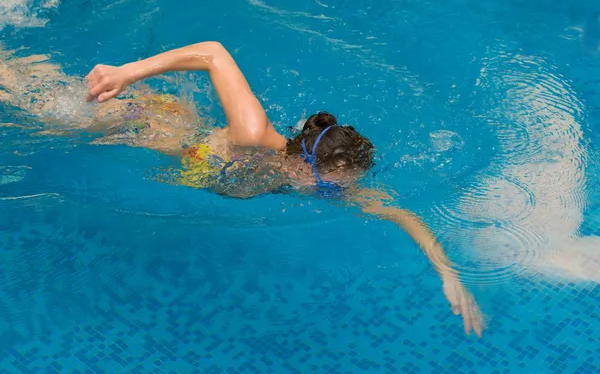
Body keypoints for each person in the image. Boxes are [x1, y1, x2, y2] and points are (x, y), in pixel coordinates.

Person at [1, 41, 484, 336]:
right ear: (305, 164)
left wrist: (449, 274)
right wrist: (127, 72)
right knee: (30, 105)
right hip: (133, 123)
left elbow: (403, 215)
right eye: (329, 186)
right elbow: (213, 51)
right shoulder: (255, 138)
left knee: (36, 86)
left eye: (339, 191)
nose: (331, 196)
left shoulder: (324, 179)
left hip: (175, 141)